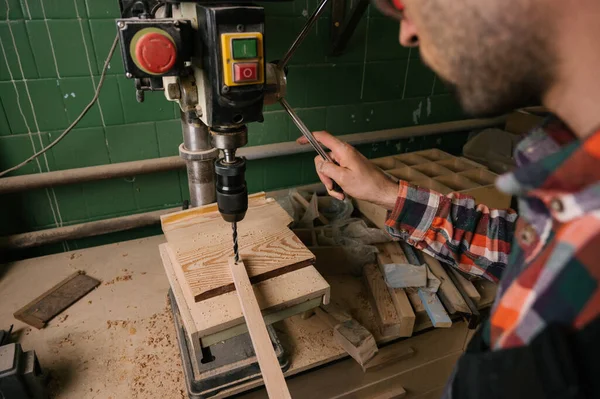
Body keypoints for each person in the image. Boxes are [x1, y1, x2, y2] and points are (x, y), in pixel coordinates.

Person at [298, 1, 600, 398]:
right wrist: (387, 194)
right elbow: (514, 245)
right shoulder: (570, 169)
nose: (407, 32)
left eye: (401, 4)